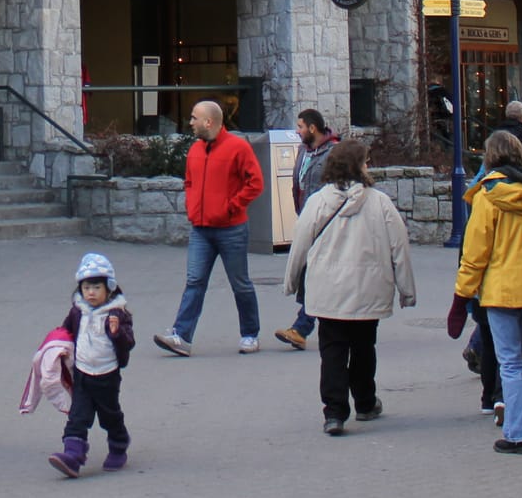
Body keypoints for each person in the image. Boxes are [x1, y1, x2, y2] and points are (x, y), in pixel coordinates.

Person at [282, 140, 416, 436]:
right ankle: (365, 402)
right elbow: (399, 247)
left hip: (327, 290)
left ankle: (334, 411)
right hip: (369, 289)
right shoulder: (379, 202)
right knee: (364, 347)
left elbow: (300, 243)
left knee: (332, 351)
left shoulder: (318, 201)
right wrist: (407, 289)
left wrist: (290, 281)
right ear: (360, 166)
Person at [450, 130, 522, 455]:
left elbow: (474, 254)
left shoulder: (488, 197)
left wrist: (461, 298)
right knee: (521, 357)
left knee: (510, 361)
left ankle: (520, 433)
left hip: (501, 291)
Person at [154, 100, 265, 356]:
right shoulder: (195, 150)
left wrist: (231, 206)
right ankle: (181, 336)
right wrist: (192, 207)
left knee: (240, 283)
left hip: (231, 228)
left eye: (194, 118)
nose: (190, 122)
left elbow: (255, 183)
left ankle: (250, 334)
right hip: (201, 229)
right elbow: (190, 182)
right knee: (194, 281)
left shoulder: (238, 147)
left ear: (209, 122)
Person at [47, 252, 135, 477]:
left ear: (109, 288)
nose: (91, 293)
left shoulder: (117, 313)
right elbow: (66, 332)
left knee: (109, 415)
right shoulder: (78, 312)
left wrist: (116, 333)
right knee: (78, 416)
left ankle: (118, 444)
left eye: (96, 287)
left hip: (107, 375)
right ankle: (73, 456)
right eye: (86, 288)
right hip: (83, 374)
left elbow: (129, 342)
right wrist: (55, 348)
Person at [274, 108, 339, 350]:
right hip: (307, 219)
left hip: (327, 222)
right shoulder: (304, 151)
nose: (297, 131)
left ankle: (302, 327)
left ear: (312, 128)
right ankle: (331, 322)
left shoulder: (334, 152)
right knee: (318, 277)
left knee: (317, 276)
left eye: (300, 126)